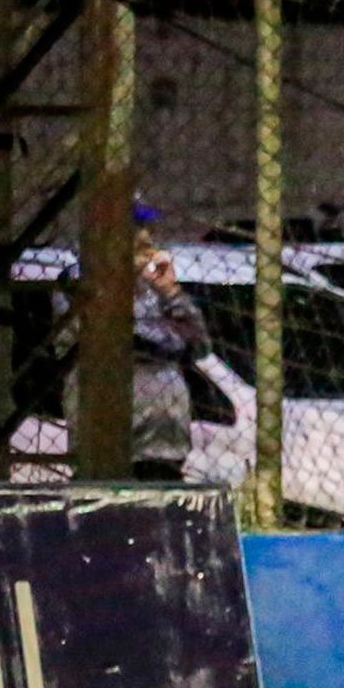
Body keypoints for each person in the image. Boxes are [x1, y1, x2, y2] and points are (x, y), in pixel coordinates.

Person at [63, 201, 209, 481]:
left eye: (146, 228)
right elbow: (126, 342)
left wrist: (171, 292)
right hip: (110, 441)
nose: (146, 237)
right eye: (135, 229)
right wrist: (172, 338)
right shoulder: (78, 282)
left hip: (165, 443)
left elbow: (199, 345)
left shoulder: (152, 289)